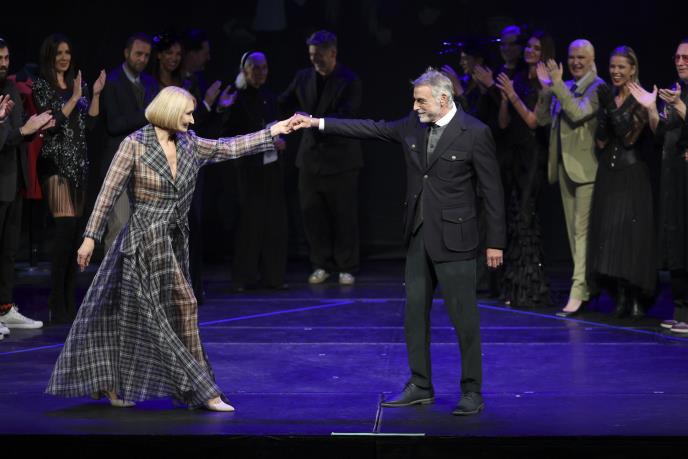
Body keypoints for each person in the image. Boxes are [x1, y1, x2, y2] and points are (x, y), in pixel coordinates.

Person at [46, 86, 296, 411]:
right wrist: (90, 237)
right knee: (178, 306)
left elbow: (229, 147)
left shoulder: (190, 144)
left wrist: (273, 131)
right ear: (170, 111)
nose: (192, 120)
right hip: (143, 242)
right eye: (187, 114)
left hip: (174, 242)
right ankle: (203, 391)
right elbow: (108, 193)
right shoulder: (134, 145)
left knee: (136, 314)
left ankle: (114, 383)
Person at [290, 68, 505, 416]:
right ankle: (420, 385)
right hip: (419, 237)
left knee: (464, 319)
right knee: (414, 316)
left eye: (420, 100)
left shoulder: (475, 133)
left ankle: (471, 390)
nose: (415, 106)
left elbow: (492, 191)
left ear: (443, 99)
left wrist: (495, 242)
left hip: (456, 240)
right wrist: (317, 123)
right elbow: (370, 128)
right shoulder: (412, 125)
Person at [279, 30, 363, 286]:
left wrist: (313, 121)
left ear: (333, 53)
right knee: (312, 215)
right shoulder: (303, 77)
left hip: (341, 160)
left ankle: (346, 266)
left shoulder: (349, 80)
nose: (314, 60)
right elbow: (283, 102)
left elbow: (347, 116)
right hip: (310, 159)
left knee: (344, 216)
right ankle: (320, 264)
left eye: (319, 55)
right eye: (311, 55)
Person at [33, 33, 106, 324]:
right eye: (59, 53)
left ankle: (68, 299)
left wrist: (95, 94)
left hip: (79, 167)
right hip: (55, 166)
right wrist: (74, 97)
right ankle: (56, 301)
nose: (64, 58)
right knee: (64, 232)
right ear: (50, 56)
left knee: (76, 234)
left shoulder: (79, 84)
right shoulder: (43, 85)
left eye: (67, 53)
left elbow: (90, 124)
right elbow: (51, 124)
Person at [534, 39, 605, 317]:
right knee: (573, 233)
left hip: (587, 169)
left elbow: (577, 113)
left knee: (582, 233)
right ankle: (584, 287)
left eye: (581, 57)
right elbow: (542, 120)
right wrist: (546, 90)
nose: (575, 62)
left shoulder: (597, 87)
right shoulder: (563, 86)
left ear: (591, 59)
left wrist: (556, 84)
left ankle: (578, 290)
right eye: (572, 57)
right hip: (565, 167)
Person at [494, 31, 554, 307]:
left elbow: (533, 121)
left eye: (536, 48)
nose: (530, 51)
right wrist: (505, 99)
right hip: (514, 156)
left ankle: (531, 288)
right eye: (528, 46)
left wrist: (512, 95)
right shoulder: (517, 78)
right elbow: (503, 123)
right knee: (515, 219)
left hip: (533, 157)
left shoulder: (545, 82)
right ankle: (514, 287)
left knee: (526, 218)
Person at [220, 51, 288, 291]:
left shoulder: (269, 97)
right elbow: (230, 132)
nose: (260, 72)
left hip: (270, 167)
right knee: (250, 224)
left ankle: (274, 276)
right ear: (244, 70)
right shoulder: (235, 97)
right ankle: (244, 276)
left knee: (274, 222)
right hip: (247, 169)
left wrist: (280, 140)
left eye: (264, 68)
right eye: (255, 67)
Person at [0, 48, 52, 334]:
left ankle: (4, 308)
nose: (4, 63)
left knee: (9, 251)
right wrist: (22, 131)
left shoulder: (10, 88)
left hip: (14, 180)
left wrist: (33, 129)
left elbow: (17, 131)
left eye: (6, 58)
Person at [102, 33, 159, 252]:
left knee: (144, 229)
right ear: (126, 53)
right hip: (119, 164)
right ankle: (112, 274)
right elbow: (114, 124)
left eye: (146, 55)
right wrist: (146, 114)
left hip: (145, 165)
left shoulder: (150, 83)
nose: (142, 59)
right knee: (119, 225)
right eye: (138, 54)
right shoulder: (112, 81)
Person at [654, 39, 688, 333]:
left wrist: (679, 106)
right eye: (677, 57)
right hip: (674, 175)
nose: (680, 62)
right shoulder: (675, 91)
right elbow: (662, 134)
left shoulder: (679, 98)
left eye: (686, 58)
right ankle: (680, 308)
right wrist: (651, 109)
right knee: (676, 242)